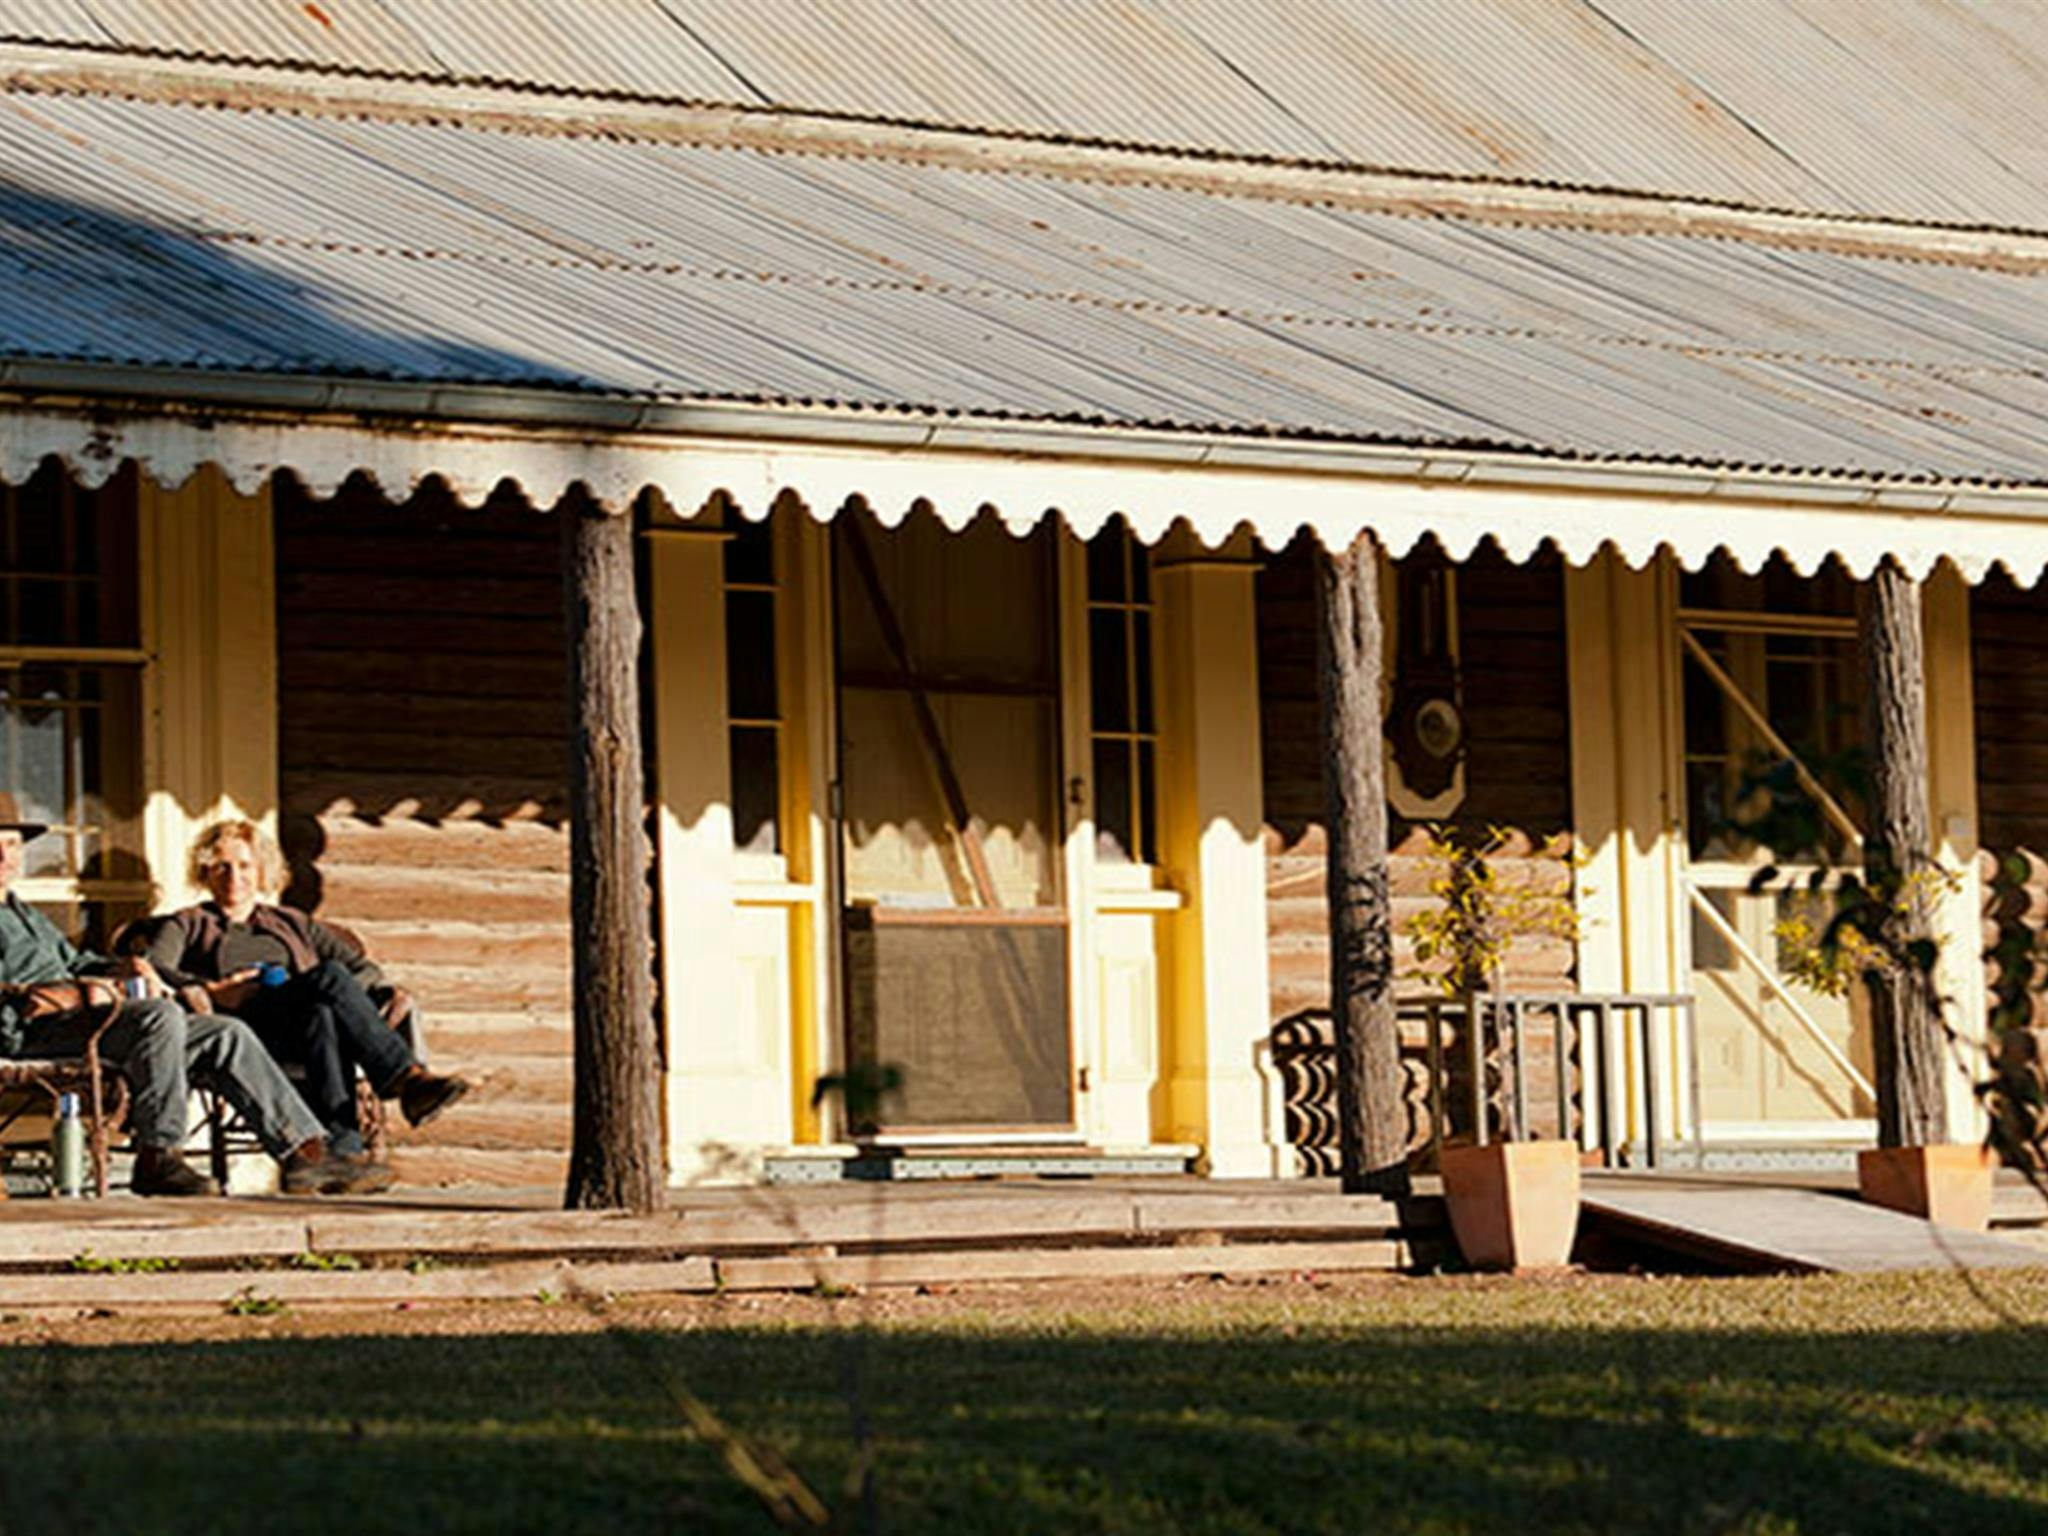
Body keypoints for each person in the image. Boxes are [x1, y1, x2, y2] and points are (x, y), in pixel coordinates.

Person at [0, 794, 372, 1197]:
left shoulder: (22, 910)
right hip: (34, 1031)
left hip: (88, 1020)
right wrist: (76, 993)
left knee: (223, 1033)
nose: (7, 857)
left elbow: (74, 961)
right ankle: (158, 1155)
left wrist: (119, 968)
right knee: (159, 1016)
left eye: (14, 845)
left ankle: (306, 1156)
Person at [134, 819, 471, 1187]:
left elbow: (366, 970)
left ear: (261, 870)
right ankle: (404, 1079)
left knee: (324, 1006)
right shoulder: (189, 923)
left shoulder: (291, 923)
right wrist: (212, 990)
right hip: (243, 1029)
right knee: (327, 981)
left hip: (303, 1025)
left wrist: (339, 997)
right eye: (222, 867)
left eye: (245, 866)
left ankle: (335, 1157)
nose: (234, 877)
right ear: (205, 872)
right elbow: (154, 968)